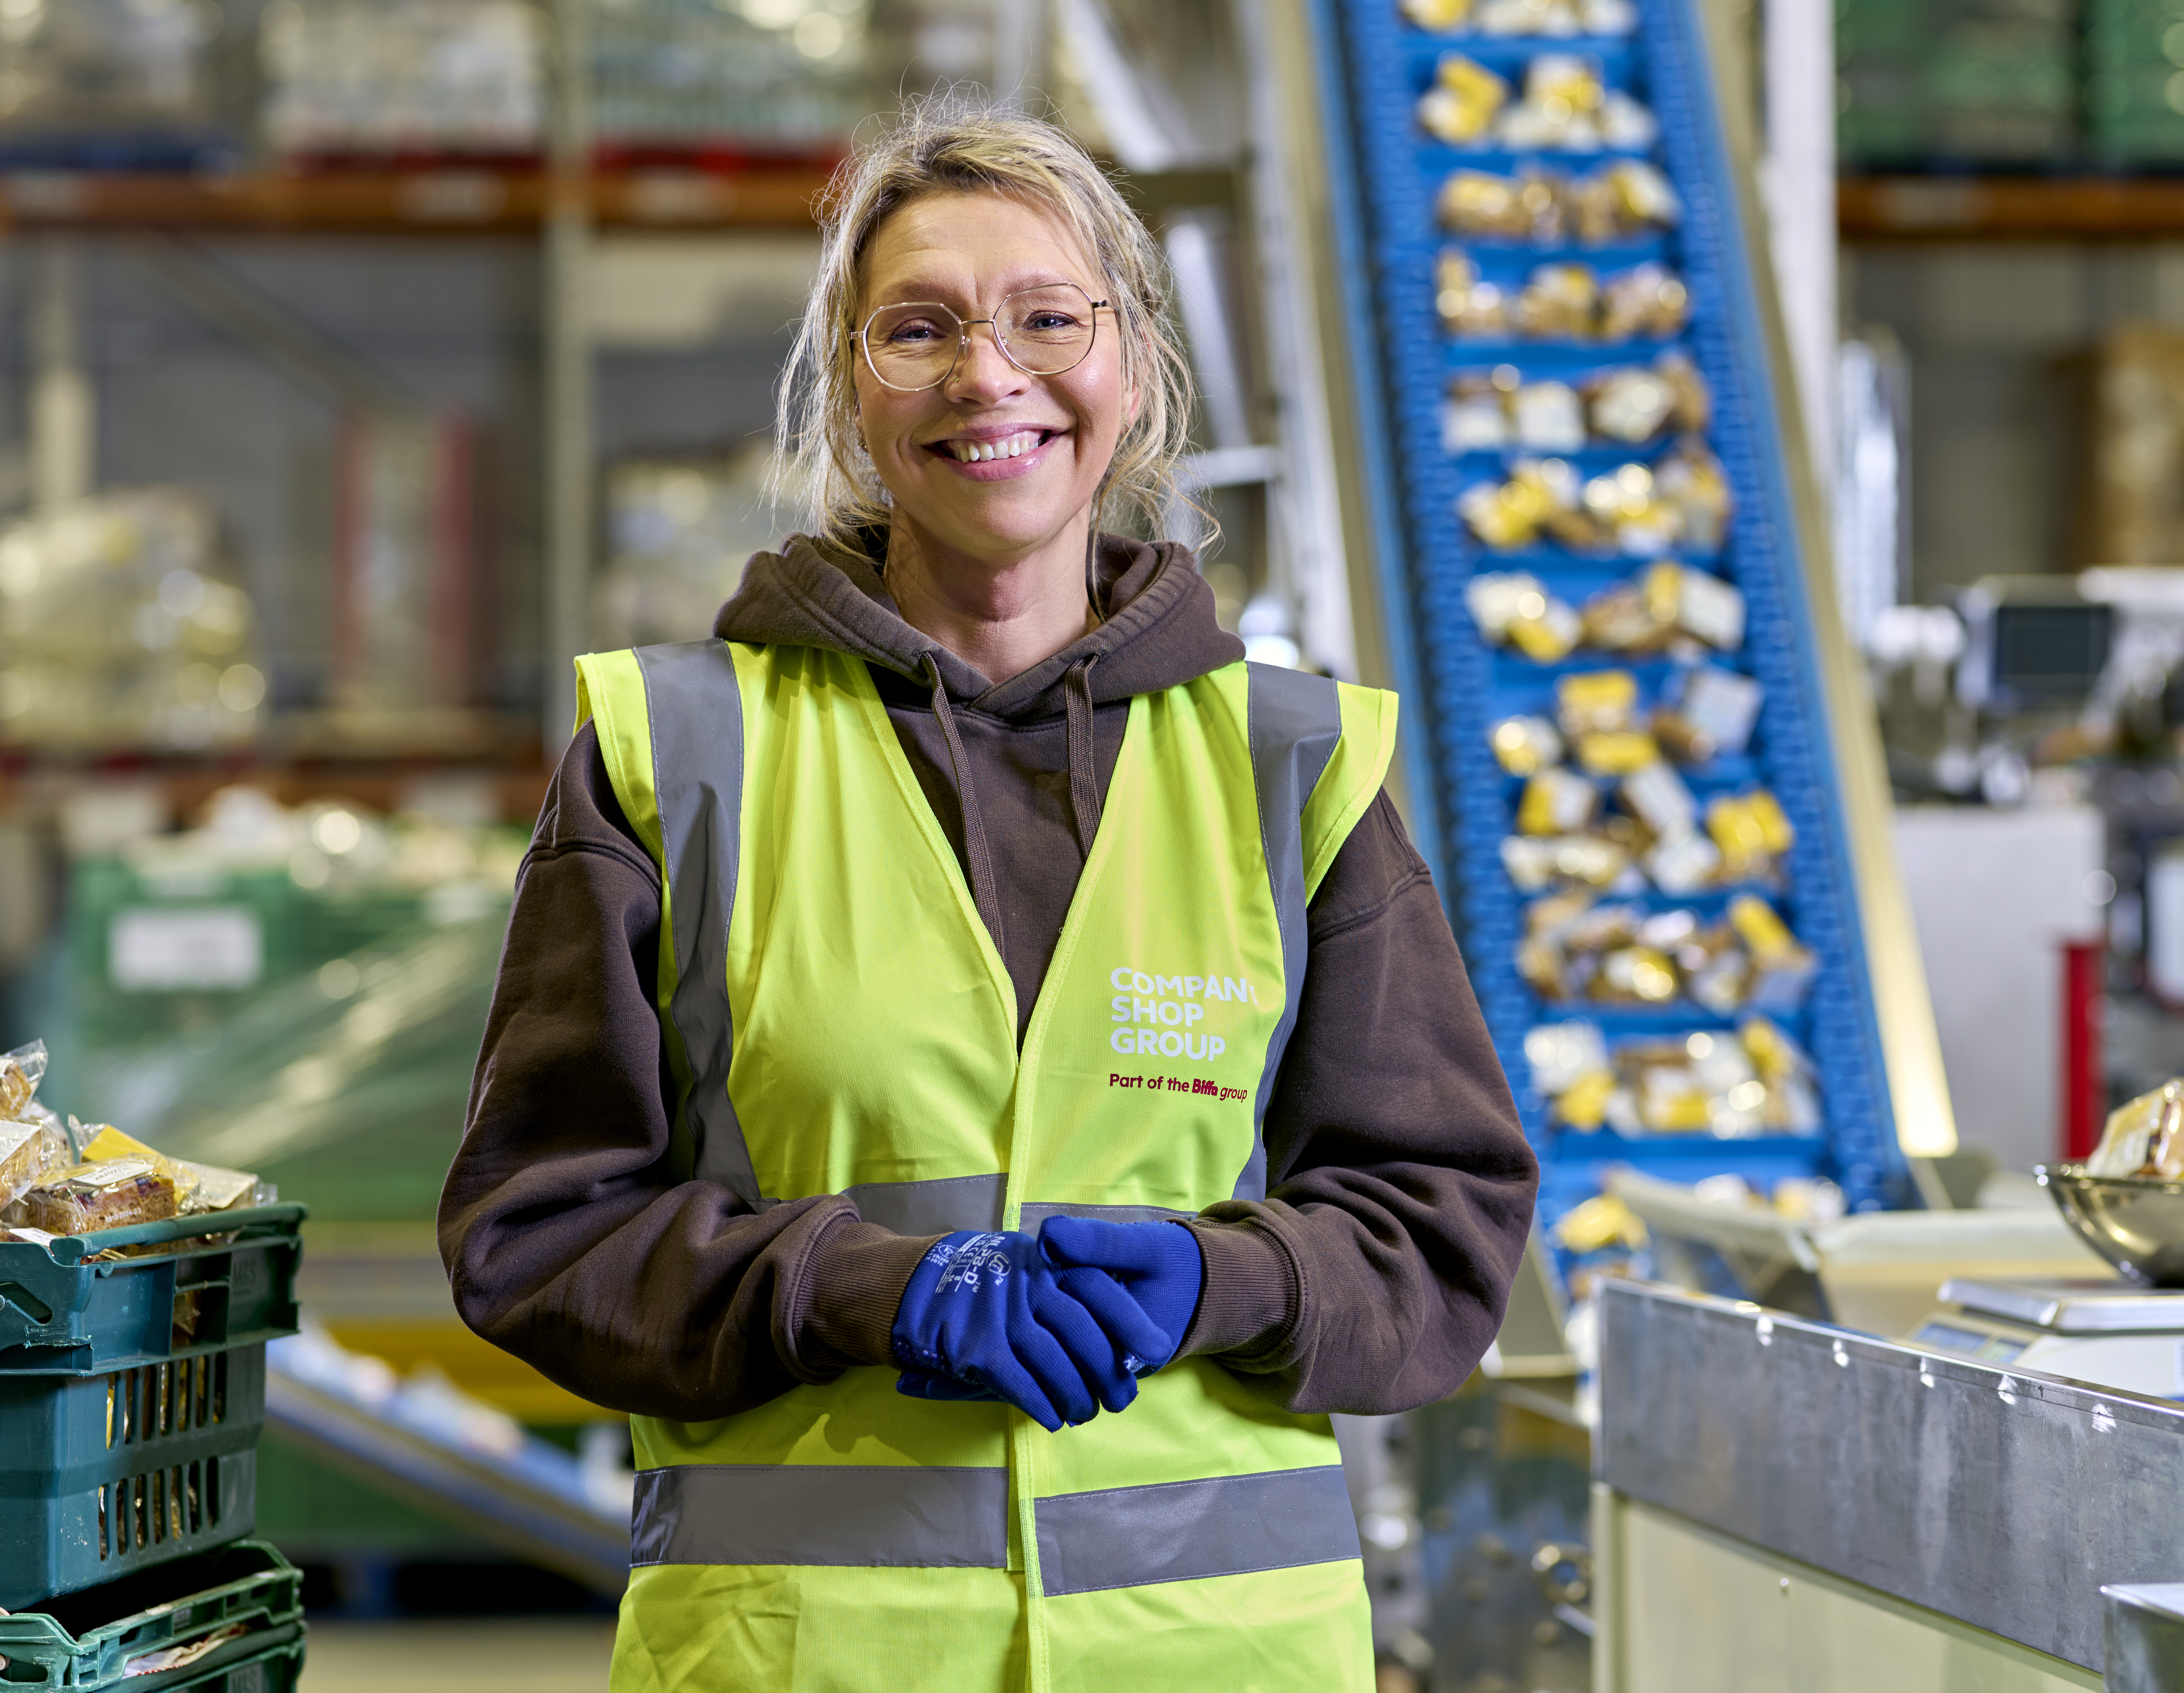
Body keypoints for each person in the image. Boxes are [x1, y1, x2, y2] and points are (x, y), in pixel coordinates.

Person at [439, 91, 1537, 1693]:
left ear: (1134, 366)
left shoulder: (1296, 767)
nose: (989, 375)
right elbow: (539, 1231)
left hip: (1214, 1659)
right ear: (850, 402)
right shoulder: (674, 754)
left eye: (1047, 317)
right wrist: (864, 1287)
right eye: (919, 329)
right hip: (812, 1661)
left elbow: (1439, 1235)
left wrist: (1221, 1280)